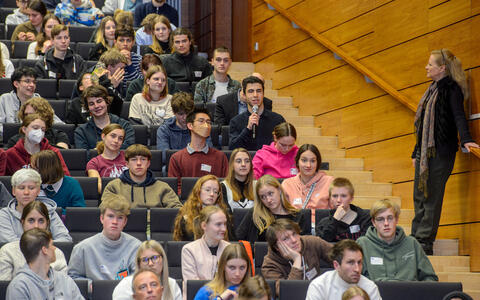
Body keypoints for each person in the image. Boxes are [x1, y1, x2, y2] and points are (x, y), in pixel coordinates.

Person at [411, 49, 479, 255]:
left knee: (431, 196)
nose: (426, 67)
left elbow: (459, 116)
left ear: (442, 68)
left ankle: (424, 241)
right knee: (419, 194)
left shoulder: (452, 89)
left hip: (441, 152)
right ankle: (415, 237)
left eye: (430, 64)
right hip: (424, 152)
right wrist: (416, 152)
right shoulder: (431, 90)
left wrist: (467, 139)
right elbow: (422, 127)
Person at [356, 199, 438, 281]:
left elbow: (430, 278)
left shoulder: (412, 243)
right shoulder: (362, 244)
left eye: (390, 218)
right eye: (380, 219)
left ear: (397, 219)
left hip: (409, 292)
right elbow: (355, 279)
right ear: (374, 222)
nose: (386, 223)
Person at [68, 194, 142, 280]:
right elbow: (72, 278)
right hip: (94, 293)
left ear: (125, 222)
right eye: (110, 216)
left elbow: (140, 280)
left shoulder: (136, 247)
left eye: (120, 218)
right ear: (102, 218)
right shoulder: (83, 248)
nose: (115, 222)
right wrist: (90, 285)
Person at [5, 228, 84, 300]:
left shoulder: (65, 280)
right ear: (44, 250)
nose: (54, 248)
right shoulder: (19, 287)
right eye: (51, 245)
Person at [0, 201, 68, 280]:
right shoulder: (8, 251)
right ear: (22, 223)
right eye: (31, 221)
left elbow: (62, 287)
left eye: (41, 221)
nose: (36, 226)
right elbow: (4, 288)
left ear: (47, 224)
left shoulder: (56, 253)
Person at [0, 169, 72, 243]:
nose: (26, 192)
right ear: (13, 191)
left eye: (31, 188)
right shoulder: (4, 215)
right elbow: (10, 243)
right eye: (21, 188)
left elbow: (65, 240)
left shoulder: (49, 212)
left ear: (38, 191)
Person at [102, 144, 182, 208]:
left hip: (154, 226)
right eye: (134, 159)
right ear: (127, 164)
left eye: (143, 159)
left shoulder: (163, 187)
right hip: (124, 226)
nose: (139, 163)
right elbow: (104, 211)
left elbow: (177, 210)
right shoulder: (114, 187)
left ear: (148, 163)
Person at [236, 175, 308, 243]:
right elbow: (238, 239)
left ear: (279, 190)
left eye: (270, 193)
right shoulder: (255, 214)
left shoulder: (298, 216)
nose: (268, 200)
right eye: (263, 197)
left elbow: (304, 245)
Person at [305, 240, 382, 300]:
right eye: (351, 263)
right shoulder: (319, 286)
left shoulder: (370, 288)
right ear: (336, 265)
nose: (357, 269)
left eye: (359, 262)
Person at [168, 108, 228, 184]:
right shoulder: (176, 158)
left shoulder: (220, 157)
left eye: (208, 122)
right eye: (201, 121)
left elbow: (224, 185)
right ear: (190, 125)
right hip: (186, 196)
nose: (206, 126)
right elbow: (175, 188)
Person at [262, 218, 332, 281]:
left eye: (294, 234)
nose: (294, 240)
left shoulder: (311, 242)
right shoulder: (269, 266)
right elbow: (288, 291)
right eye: (286, 238)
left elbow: (339, 256)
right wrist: (297, 260)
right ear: (276, 247)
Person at [112, 240, 182, 300]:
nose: (150, 263)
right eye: (145, 260)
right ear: (139, 263)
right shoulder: (125, 285)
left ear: (163, 260)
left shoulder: (172, 284)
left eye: (154, 258)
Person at [229, 76, 285, 151]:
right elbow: (233, 148)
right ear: (244, 95)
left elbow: (285, 146)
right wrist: (248, 128)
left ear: (263, 94)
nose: (255, 95)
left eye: (259, 91)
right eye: (251, 91)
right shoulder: (236, 121)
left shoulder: (278, 120)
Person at [5, 114, 70, 176]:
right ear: (24, 129)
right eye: (35, 128)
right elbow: (4, 180)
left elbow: (65, 177)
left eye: (43, 129)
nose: (39, 132)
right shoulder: (11, 154)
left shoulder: (53, 152)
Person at [74, 85, 135, 149]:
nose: (96, 106)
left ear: (107, 102)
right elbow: (84, 156)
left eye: (99, 101)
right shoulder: (81, 132)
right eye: (91, 104)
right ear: (88, 108)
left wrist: (99, 150)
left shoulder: (124, 126)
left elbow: (128, 151)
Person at [173, 175, 231, 241]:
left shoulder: (223, 214)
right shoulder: (187, 215)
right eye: (207, 190)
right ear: (198, 191)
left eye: (215, 191)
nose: (212, 194)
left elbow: (229, 241)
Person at [181, 206, 230, 281]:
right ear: (204, 226)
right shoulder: (189, 250)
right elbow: (192, 285)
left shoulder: (229, 248)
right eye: (218, 224)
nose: (224, 229)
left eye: (225, 224)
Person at [316, 177, 371, 242]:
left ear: (351, 198)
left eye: (343, 196)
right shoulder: (324, 223)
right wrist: (335, 220)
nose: (339, 200)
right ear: (330, 198)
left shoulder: (365, 218)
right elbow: (322, 244)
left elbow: (366, 244)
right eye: (335, 196)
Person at [282, 144, 333, 211]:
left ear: (318, 163)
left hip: (321, 221)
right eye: (304, 160)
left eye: (312, 161)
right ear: (297, 162)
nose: (308, 165)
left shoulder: (329, 182)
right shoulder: (287, 184)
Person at [0, 67, 40, 140]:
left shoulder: (39, 100)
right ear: (16, 84)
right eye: (27, 81)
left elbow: (56, 123)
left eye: (34, 82)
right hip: (9, 142)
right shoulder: (4, 99)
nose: (32, 85)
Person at [86, 124, 128, 192]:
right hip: (108, 198)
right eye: (113, 136)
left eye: (120, 138)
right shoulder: (93, 163)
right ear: (103, 136)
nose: (116, 141)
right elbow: (98, 187)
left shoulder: (129, 156)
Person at [114, 26, 142, 94]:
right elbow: (94, 76)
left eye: (128, 40)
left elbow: (141, 84)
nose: (125, 44)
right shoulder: (105, 58)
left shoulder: (140, 59)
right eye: (121, 40)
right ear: (115, 42)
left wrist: (130, 65)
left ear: (133, 43)